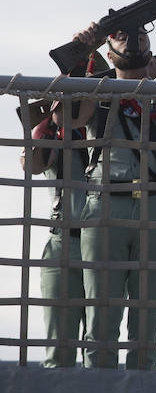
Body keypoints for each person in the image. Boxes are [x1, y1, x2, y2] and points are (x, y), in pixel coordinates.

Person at [57, 0, 156, 369]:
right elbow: (67, 116)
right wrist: (80, 57)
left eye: (139, 33)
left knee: (147, 325)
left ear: (153, 48)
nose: (132, 41)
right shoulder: (96, 90)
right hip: (103, 207)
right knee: (100, 326)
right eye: (120, 35)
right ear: (108, 47)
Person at [20, 53, 113, 367]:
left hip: (101, 241)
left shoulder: (108, 129)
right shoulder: (53, 132)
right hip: (63, 240)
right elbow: (31, 163)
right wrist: (49, 119)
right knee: (59, 351)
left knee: (100, 350)